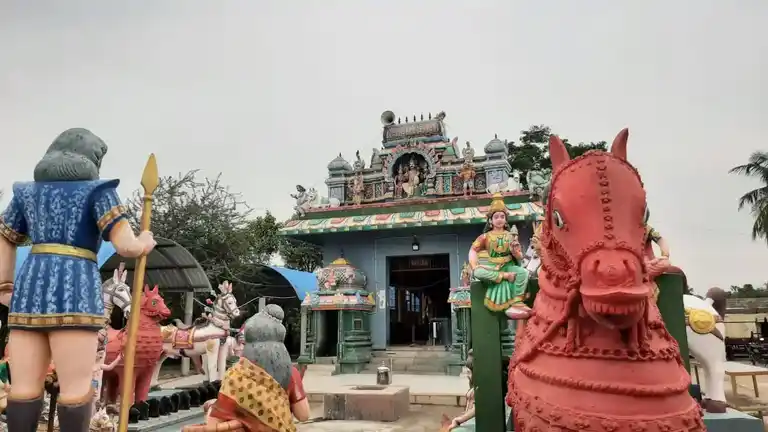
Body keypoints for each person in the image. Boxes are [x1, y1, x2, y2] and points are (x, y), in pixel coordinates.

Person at [0, 128, 156, 431]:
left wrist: (5, 285)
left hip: (31, 290)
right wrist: (144, 241)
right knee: (75, 391)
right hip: (76, 291)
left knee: (23, 390)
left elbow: (5, 236)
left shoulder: (25, 192)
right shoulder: (98, 191)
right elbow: (126, 245)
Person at [193, 305, 308, 431]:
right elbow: (303, 415)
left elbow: (213, 424)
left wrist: (212, 407)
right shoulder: (291, 374)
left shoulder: (235, 377)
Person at [468, 193, 530, 319]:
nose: (500, 219)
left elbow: (519, 257)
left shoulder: (510, 235)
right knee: (478, 273)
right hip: (492, 268)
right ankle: (504, 277)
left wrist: (515, 252)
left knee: (524, 273)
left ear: (506, 219)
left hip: (508, 265)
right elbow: (473, 250)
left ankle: (517, 302)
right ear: (490, 220)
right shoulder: (485, 236)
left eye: (502, 216)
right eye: (496, 217)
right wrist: (474, 265)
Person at [448, 356, 475, 431]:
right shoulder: (474, 385)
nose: (467, 375)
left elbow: (476, 409)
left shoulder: (481, 386)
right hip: (469, 420)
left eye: (469, 372)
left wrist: (459, 420)